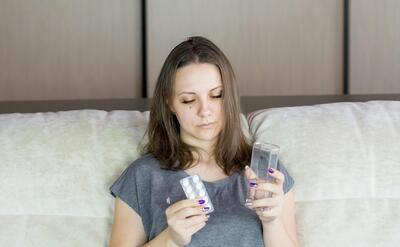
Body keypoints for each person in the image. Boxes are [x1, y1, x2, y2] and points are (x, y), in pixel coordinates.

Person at [109, 36, 299, 247]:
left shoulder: (265, 172)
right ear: (169, 103)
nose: (205, 111)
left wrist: (271, 222)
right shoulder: (143, 176)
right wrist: (170, 239)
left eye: (216, 95)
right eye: (189, 100)